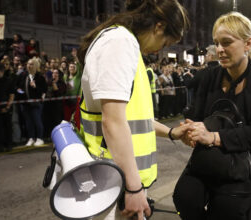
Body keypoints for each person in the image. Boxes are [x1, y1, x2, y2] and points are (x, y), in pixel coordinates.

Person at [77, 0, 190, 219]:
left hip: (116, 178)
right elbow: (113, 121)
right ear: (159, 26)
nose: (161, 48)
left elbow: (131, 118)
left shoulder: (124, 43)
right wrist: (134, 188)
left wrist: (170, 132)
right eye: (166, 41)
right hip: (114, 182)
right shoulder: (120, 42)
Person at [172, 12, 251, 220]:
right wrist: (190, 130)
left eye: (226, 43)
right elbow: (197, 116)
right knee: (184, 199)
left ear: (247, 44)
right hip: (213, 157)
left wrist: (213, 137)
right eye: (216, 43)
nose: (219, 50)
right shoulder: (208, 76)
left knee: (226, 207)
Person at [16, 59, 47, 146]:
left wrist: (35, 87)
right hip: (25, 103)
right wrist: (18, 89)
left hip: (36, 103)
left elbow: (44, 90)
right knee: (28, 122)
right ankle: (31, 138)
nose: (29, 66)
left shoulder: (40, 77)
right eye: (28, 64)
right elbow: (17, 85)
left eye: (31, 64)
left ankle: (40, 138)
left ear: (36, 66)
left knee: (37, 121)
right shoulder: (23, 75)